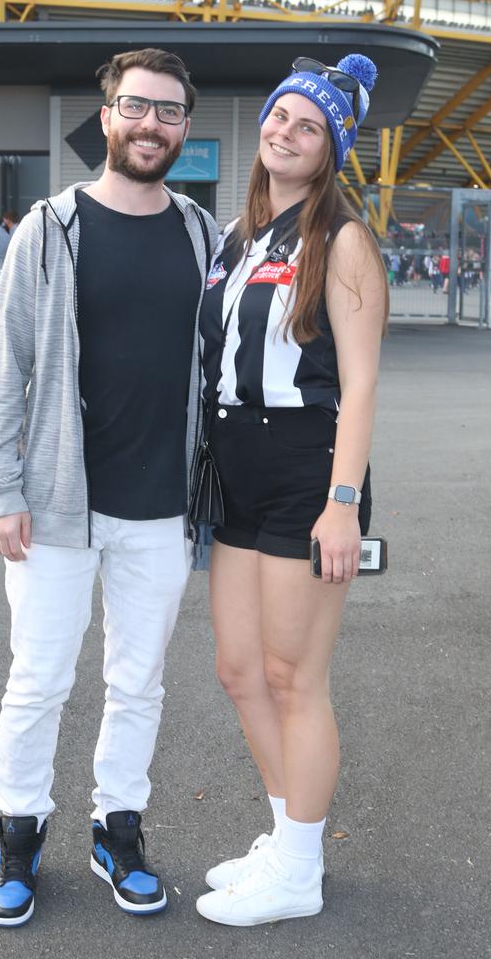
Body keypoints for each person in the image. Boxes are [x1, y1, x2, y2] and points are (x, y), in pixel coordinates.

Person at [0, 47, 218, 928]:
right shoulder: (51, 227)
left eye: (168, 111)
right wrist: (1, 488)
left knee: (138, 681)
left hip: (163, 509)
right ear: (106, 115)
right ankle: (19, 832)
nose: (151, 123)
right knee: (38, 679)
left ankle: (118, 828)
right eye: (135, 106)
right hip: (56, 508)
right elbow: (8, 366)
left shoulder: (200, 231)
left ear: (185, 127)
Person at [194, 54, 388, 927]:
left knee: (292, 676)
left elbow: (362, 384)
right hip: (234, 471)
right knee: (240, 673)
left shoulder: (340, 240)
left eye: (308, 127)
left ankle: (301, 871)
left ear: (331, 148)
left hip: (308, 472)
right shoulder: (239, 237)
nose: (286, 133)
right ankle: (284, 835)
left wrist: (341, 503)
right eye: (280, 117)